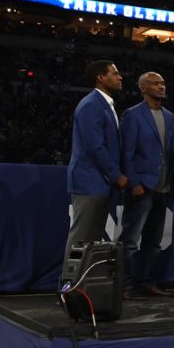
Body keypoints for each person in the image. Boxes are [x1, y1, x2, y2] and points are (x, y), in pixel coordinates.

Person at [118, 71, 174, 298]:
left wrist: (172, 181)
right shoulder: (132, 115)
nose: (161, 87)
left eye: (162, 83)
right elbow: (127, 153)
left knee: (154, 241)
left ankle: (147, 282)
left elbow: (171, 154)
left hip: (163, 186)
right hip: (142, 186)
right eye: (155, 83)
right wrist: (133, 182)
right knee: (131, 240)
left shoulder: (170, 116)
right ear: (143, 88)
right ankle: (126, 285)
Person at [64, 60, 128, 264]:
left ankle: (84, 288)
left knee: (91, 239)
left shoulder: (104, 104)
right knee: (81, 238)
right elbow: (95, 147)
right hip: (90, 180)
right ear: (101, 77)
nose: (120, 77)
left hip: (99, 182)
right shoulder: (92, 104)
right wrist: (117, 175)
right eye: (115, 73)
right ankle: (69, 288)